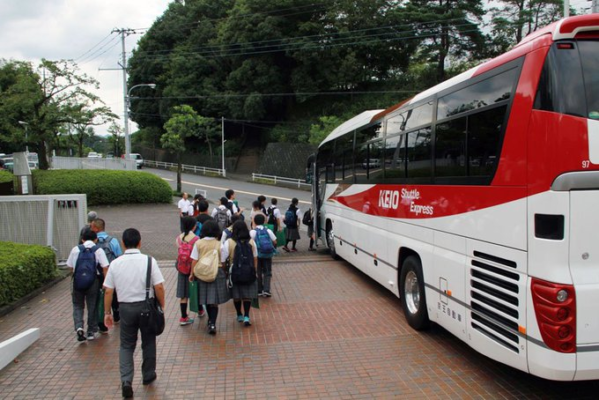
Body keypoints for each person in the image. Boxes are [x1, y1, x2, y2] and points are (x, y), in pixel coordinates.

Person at [103, 228, 166, 398]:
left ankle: (126, 380)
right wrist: (162, 305)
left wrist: (107, 312)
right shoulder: (149, 261)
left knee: (126, 345)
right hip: (146, 306)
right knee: (148, 341)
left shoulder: (115, 263)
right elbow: (159, 286)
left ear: (123, 243)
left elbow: (108, 290)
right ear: (140, 242)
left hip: (125, 308)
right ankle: (148, 375)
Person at [66, 228, 109, 342]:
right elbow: (105, 267)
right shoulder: (98, 250)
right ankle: (91, 331)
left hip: (77, 281)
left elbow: (70, 266)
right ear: (95, 239)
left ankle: (79, 328)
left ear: (82, 239)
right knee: (92, 306)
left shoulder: (75, 249)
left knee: (77, 305)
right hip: (93, 281)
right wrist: (106, 282)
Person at [190, 220, 231, 335]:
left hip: (202, 273)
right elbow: (223, 261)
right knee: (214, 301)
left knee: (207, 299)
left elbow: (194, 260)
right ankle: (212, 323)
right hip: (216, 273)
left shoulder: (198, 243)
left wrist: (192, 274)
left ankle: (210, 321)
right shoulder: (220, 244)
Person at [222, 221, 259, 325]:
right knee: (247, 295)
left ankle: (239, 314)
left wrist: (225, 271)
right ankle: (247, 316)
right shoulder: (251, 241)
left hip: (234, 272)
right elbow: (255, 257)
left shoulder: (229, 242)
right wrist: (254, 270)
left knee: (236, 295)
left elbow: (223, 260)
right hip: (249, 271)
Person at [91, 218, 123, 331]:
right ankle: (116, 313)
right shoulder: (113, 241)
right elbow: (119, 256)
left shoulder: (91, 242)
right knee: (113, 293)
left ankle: (101, 320)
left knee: (99, 296)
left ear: (95, 228)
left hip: (96, 275)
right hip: (111, 272)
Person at [176, 217, 200, 326]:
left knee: (183, 294)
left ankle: (183, 317)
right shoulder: (196, 239)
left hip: (181, 268)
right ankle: (200, 310)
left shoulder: (178, 238)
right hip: (193, 268)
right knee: (196, 290)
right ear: (193, 226)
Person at [250, 214, 277, 297]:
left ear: (254, 221)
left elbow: (250, 243)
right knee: (267, 272)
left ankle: (259, 290)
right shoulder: (268, 231)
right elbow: (275, 241)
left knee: (258, 272)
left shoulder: (252, 232)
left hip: (257, 255)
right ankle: (266, 290)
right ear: (264, 221)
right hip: (267, 254)